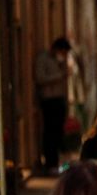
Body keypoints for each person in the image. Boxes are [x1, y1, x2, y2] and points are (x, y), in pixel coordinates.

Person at [34, 37, 71, 174]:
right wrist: (59, 75)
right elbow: (40, 78)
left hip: (58, 98)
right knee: (50, 132)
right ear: (57, 49)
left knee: (58, 132)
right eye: (63, 52)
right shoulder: (43, 59)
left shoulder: (58, 61)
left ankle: (57, 161)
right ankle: (50, 163)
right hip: (49, 100)